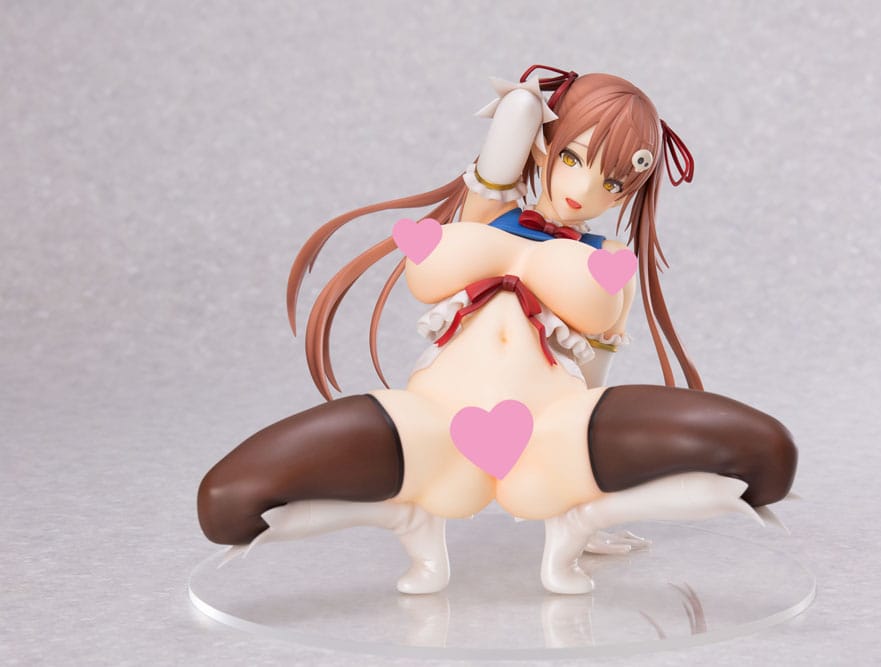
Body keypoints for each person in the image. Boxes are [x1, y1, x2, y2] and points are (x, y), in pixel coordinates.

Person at [197, 65, 797, 595]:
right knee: (231, 500)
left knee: (764, 452)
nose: (585, 191)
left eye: (613, 183)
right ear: (546, 146)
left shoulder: (610, 258)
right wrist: (528, 105)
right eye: (572, 158)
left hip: (547, 435)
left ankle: (579, 525)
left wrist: (589, 484)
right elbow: (502, 149)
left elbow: (597, 368)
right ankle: (415, 532)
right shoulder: (492, 212)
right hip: (434, 422)